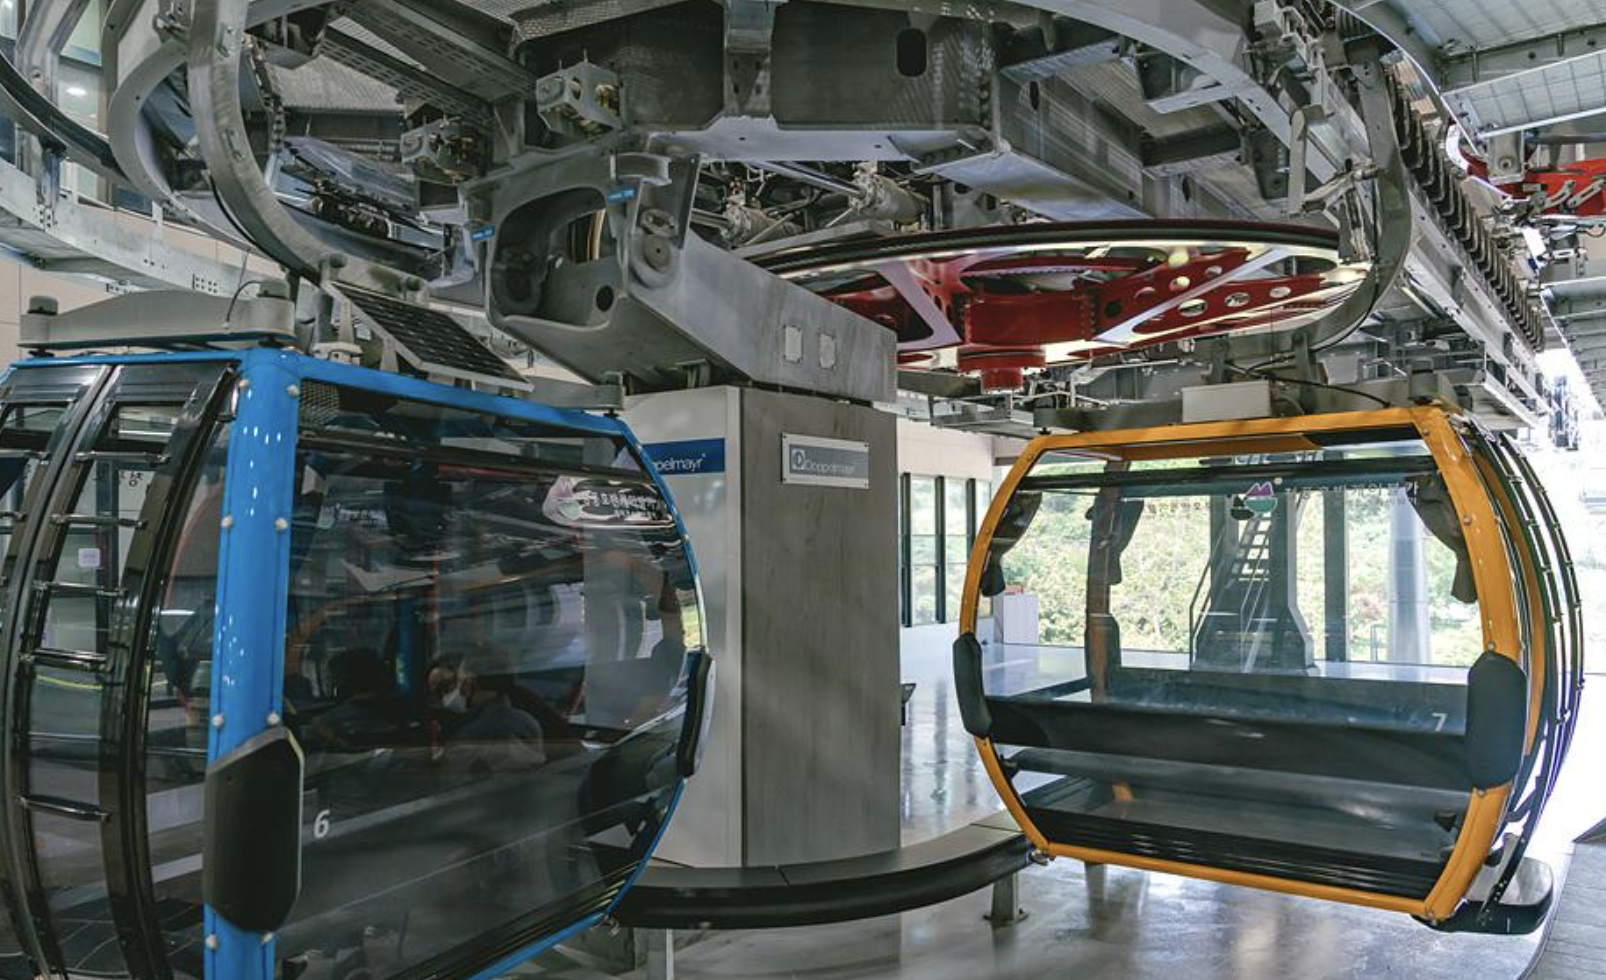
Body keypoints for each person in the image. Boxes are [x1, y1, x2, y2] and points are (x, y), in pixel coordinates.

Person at [443, 647, 546, 773]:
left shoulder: (465, 738)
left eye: (459, 682)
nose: (458, 691)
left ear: (470, 682)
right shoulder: (529, 723)